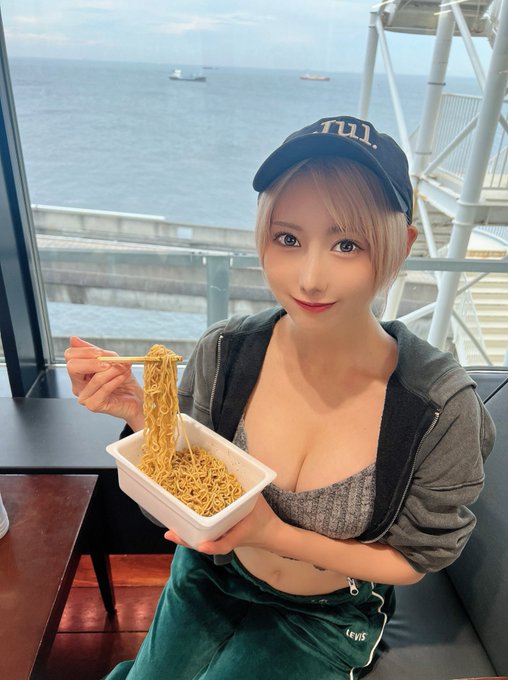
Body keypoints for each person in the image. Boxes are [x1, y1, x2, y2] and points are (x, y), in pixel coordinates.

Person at [65, 115, 496, 680]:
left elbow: (414, 561)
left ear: (403, 246)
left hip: (326, 612)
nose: (310, 278)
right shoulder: (226, 353)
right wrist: (140, 413)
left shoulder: (439, 406)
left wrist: (273, 534)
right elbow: (185, 485)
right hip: (212, 573)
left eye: (347, 244)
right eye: (288, 239)